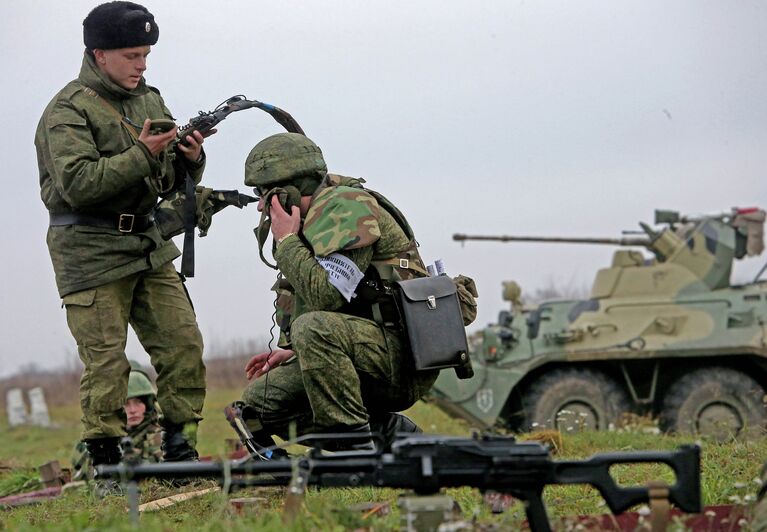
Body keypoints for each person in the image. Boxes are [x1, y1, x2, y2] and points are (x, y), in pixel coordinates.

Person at [35, 1, 206, 468]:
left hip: (146, 245)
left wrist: (188, 159)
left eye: (146, 54)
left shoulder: (149, 100)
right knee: (107, 362)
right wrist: (142, 153)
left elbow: (164, 181)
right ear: (99, 54)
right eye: (132, 55)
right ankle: (106, 460)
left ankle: (180, 449)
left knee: (183, 343)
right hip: (89, 252)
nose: (142, 65)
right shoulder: (66, 111)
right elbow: (78, 185)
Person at [238, 132, 439, 452]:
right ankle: (388, 434)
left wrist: (287, 241)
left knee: (312, 328)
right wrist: (296, 349)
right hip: (361, 349)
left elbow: (326, 296)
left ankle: (356, 452)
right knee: (258, 404)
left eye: (264, 194)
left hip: (401, 360)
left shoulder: (347, 208)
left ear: (287, 192)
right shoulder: (313, 220)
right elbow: (333, 305)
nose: (261, 205)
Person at [73, 365, 163, 481]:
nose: (133, 410)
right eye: (125, 404)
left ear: (149, 404)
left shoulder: (159, 434)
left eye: (138, 402)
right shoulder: (102, 438)